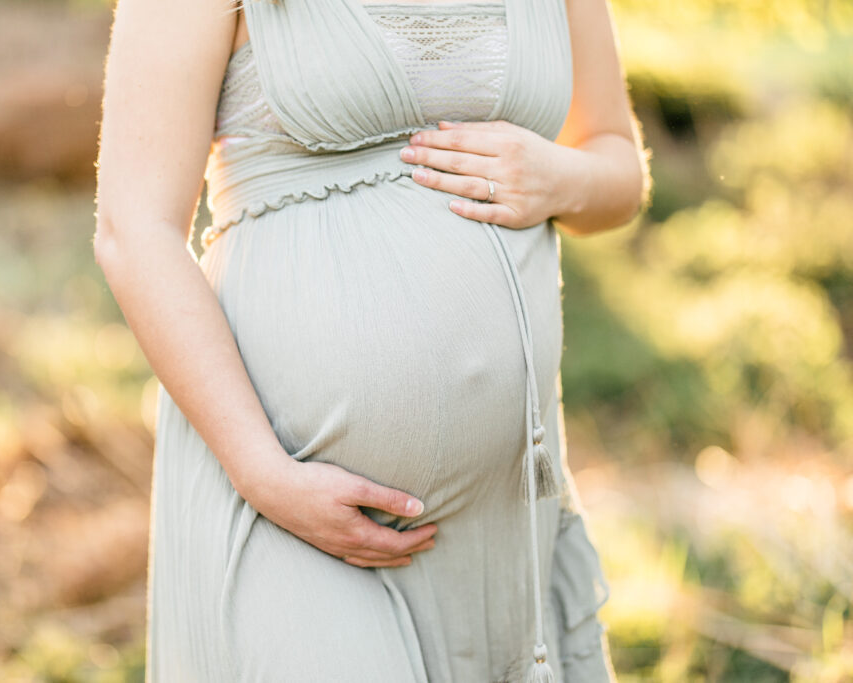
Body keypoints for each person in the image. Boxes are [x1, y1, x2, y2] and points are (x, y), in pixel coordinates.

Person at [93, 0, 650, 679]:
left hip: (503, 525)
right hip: (289, 500)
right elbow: (134, 228)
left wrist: (557, 177)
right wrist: (262, 470)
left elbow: (617, 163)